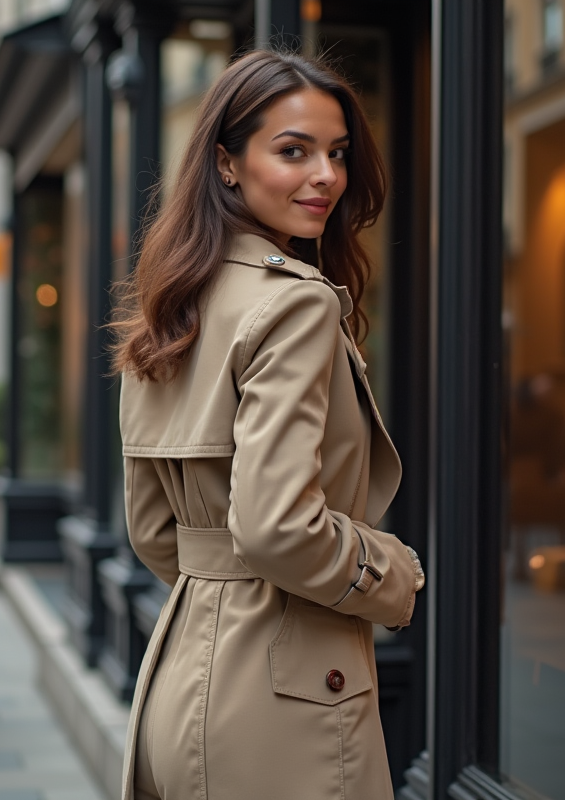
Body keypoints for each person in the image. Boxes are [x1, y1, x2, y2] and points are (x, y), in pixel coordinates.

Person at [111, 50, 425, 800]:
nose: (326, 176)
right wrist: (392, 575)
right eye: (294, 151)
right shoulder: (295, 302)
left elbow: (155, 531)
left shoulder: (172, 305)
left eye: (338, 153)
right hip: (291, 696)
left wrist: (222, 582)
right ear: (227, 163)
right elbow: (278, 529)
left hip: (181, 675)